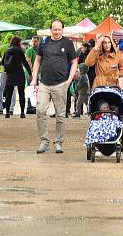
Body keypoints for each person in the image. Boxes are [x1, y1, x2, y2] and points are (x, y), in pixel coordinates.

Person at [31, 20, 78, 154]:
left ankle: (58, 142)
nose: (57, 32)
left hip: (61, 84)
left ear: (63, 30)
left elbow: (74, 62)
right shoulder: (44, 42)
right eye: (54, 29)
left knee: (60, 115)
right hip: (44, 83)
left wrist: (69, 80)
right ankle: (44, 141)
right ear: (50, 30)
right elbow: (37, 60)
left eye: (59, 29)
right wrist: (34, 78)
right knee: (40, 111)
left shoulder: (67, 43)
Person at [2, 36, 32, 118]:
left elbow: (2, 63)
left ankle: (7, 112)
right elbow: (25, 62)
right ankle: (22, 112)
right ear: (18, 42)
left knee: (9, 94)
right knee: (21, 93)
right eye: (20, 42)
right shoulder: (19, 50)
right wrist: (30, 73)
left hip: (10, 74)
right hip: (19, 73)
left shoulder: (7, 50)